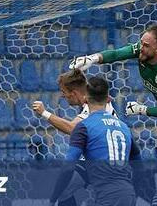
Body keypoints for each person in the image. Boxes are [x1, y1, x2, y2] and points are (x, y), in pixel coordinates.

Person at [70, 24, 157, 206]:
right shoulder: (143, 50)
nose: (141, 47)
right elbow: (117, 54)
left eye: (146, 45)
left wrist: (141, 109)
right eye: (141, 43)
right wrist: (92, 59)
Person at [32, 69, 141, 206]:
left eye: (64, 92)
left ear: (75, 93)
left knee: (66, 187)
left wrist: (44, 113)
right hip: (102, 164)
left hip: (102, 159)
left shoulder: (96, 107)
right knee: (65, 190)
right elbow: (138, 160)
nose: (63, 96)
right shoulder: (100, 106)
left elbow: (72, 128)